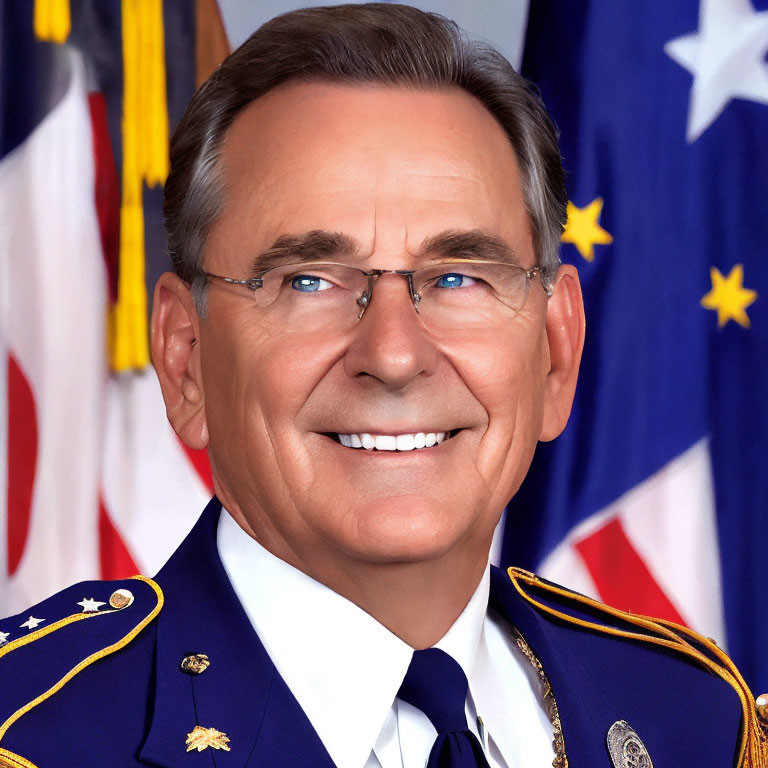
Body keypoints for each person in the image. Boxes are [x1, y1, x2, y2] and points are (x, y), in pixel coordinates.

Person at [0, 4, 764, 767]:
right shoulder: (35, 737)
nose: (394, 355)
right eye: (309, 281)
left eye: (459, 276)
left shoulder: (691, 720)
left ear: (555, 353)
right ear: (186, 358)